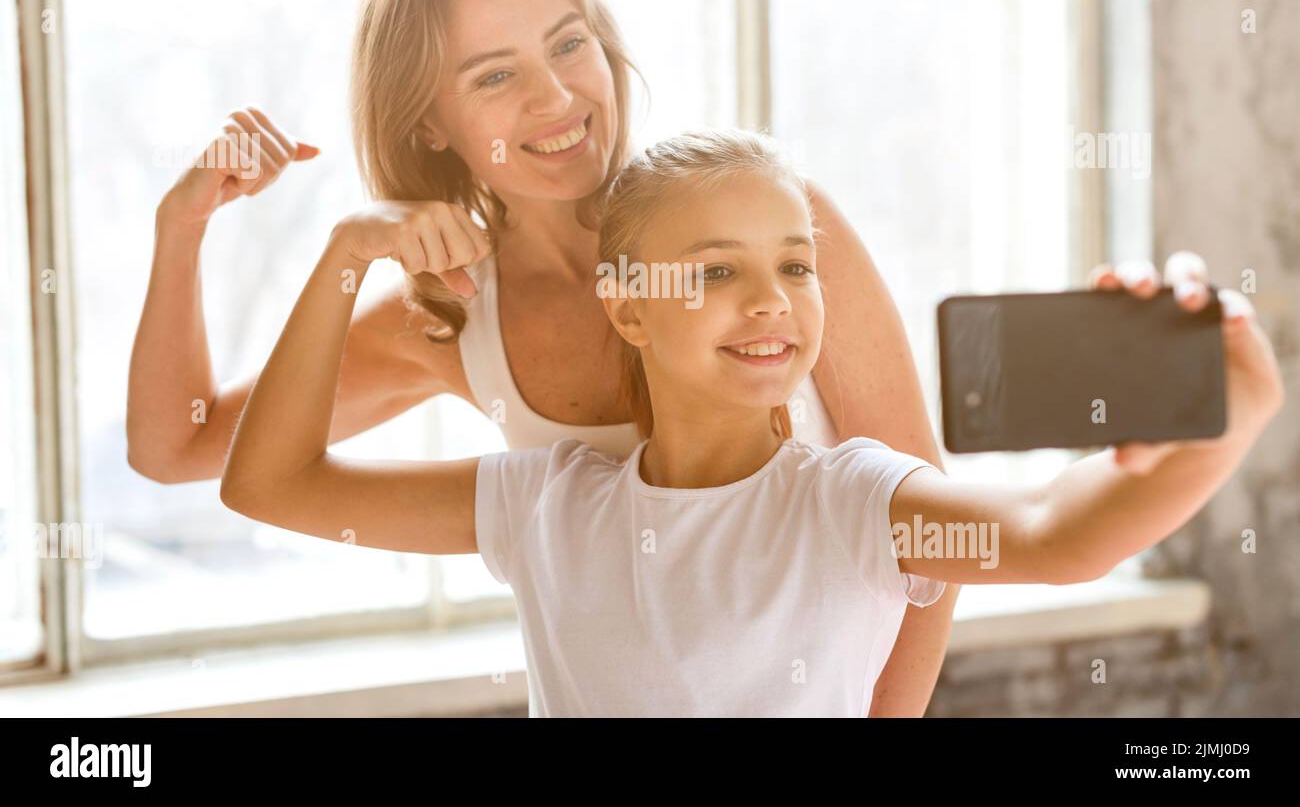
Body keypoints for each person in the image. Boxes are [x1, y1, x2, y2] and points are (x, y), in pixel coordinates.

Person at [218, 127, 1284, 717]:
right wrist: (348, 253)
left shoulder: (852, 500)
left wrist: (1233, 407)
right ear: (626, 305)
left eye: (795, 267)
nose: (770, 298)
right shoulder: (545, 505)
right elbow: (269, 483)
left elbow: (1059, 533)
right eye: (717, 271)